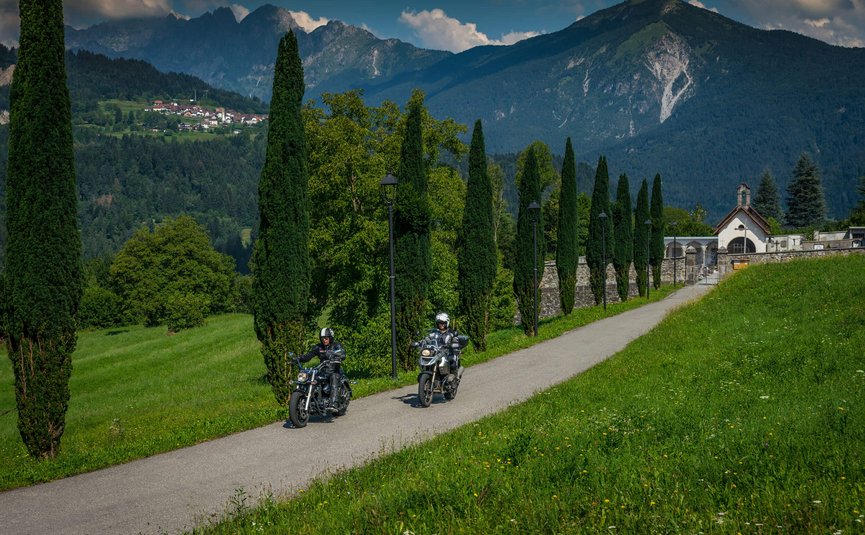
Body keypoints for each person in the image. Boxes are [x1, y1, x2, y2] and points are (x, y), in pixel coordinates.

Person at [299, 327, 346, 412]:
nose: (324, 340)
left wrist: (339, 355)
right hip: (323, 371)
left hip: (334, 371)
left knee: (333, 378)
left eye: (326, 338)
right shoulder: (319, 347)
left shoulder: (336, 345)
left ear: (330, 338)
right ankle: (313, 402)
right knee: (311, 379)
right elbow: (307, 356)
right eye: (322, 339)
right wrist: (298, 359)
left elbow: (342, 353)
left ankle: (333, 403)